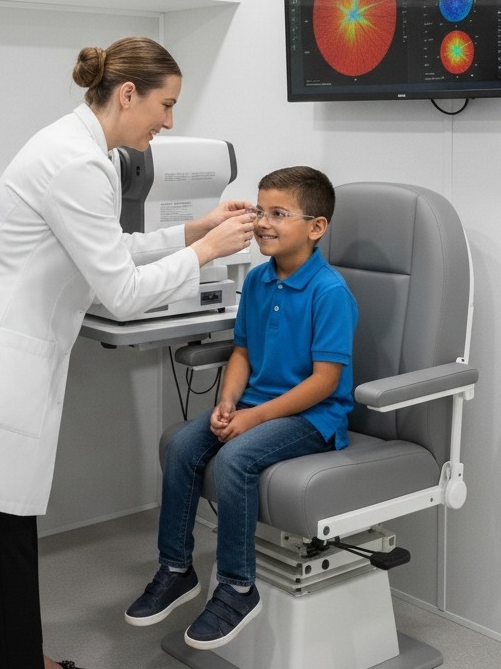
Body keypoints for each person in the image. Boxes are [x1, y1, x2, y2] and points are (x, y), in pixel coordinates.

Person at [0, 36, 256, 669]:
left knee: (0, 526)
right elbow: (121, 292)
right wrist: (206, 252)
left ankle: (13, 658)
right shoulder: (78, 164)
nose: (168, 122)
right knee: (5, 528)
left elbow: (109, 248)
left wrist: (192, 230)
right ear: (128, 94)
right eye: (166, 105)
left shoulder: (82, 149)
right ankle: (18, 662)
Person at [125, 165, 358, 650]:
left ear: (316, 227)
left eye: (279, 214)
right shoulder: (256, 281)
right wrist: (229, 402)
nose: (263, 223)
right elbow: (243, 354)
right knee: (182, 444)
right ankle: (176, 568)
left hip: (313, 417)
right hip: (254, 405)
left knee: (235, 459)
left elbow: (325, 381)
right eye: (260, 211)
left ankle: (236, 587)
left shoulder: (329, 291)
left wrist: (254, 417)